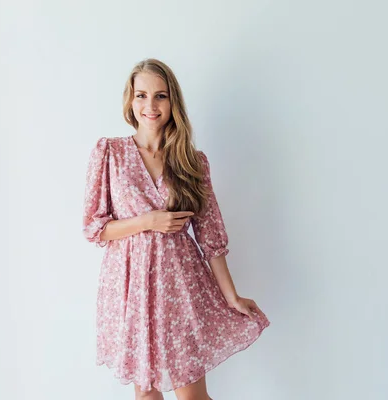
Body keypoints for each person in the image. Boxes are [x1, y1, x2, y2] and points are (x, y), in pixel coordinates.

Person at [82, 58, 270, 400]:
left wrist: (231, 296)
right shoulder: (110, 153)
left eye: (160, 96)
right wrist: (147, 221)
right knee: (147, 396)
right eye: (141, 95)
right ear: (130, 100)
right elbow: (94, 227)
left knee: (192, 397)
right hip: (130, 287)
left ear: (173, 103)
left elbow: (211, 238)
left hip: (180, 287)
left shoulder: (191, 160)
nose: (150, 106)